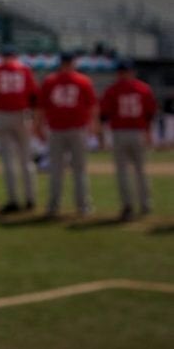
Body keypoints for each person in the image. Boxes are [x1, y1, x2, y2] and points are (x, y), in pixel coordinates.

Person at [37, 51, 98, 217]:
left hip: (57, 128)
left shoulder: (50, 80)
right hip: (77, 128)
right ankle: (83, 206)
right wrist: (93, 126)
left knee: (56, 170)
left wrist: (38, 126)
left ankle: (53, 206)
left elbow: (42, 108)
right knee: (79, 169)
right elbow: (92, 106)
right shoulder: (83, 80)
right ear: (73, 62)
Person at [0, 45, 39, 213]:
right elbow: (33, 96)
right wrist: (34, 118)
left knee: (8, 161)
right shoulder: (25, 69)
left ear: (2, 56)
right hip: (22, 114)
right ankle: (30, 199)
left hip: (3, 115)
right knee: (26, 160)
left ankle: (13, 200)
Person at [100, 59, 157, 221]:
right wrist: (149, 132)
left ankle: (128, 206)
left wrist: (102, 135)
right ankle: (145, 204)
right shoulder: (143, 88)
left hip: (120, 132)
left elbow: (104, 114)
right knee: (141, 171)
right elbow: (150, 114)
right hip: (138, 131)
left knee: (123, 172)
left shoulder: (113, 89)